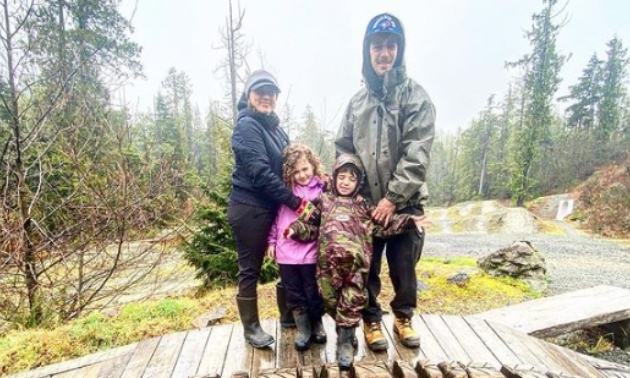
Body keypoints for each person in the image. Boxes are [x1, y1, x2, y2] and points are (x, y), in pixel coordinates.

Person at [334, 13, 436, 351]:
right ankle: (371, 320)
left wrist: (392, 198)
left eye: (391, 46)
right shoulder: (355, 103)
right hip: (366, 204)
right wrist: (352, 190)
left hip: (404, 203)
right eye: (378, 46)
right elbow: (344, 149)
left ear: (400, 50)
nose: (384, 53)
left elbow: (417, 153)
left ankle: (404, 317)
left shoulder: (416, 97)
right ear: (368, 52)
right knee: (367, 268)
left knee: (405, 269)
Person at [285, 154, 427, 370]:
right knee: (331, 303)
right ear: (334, 177)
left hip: (356, 270)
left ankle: (344, 343)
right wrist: (295, 229)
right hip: (327, 269)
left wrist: (408, 221)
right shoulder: (324, 201)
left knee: (351, 304)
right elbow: (310, 226)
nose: (345, 182)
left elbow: (382, 226)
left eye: (351, 179)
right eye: (342, 177)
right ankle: (345, 334)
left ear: (358, 182)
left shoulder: (363, 206)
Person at [228, 70, 321, 349]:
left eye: (271, 92)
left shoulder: (276, 129)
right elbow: (260, 173)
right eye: (260, 91)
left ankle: (289, 316)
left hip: (275, 206)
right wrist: (297, 204)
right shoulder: (247, 126)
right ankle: (252, 328)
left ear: (277, 97)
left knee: (287, 261)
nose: (266, 96)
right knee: (250, 269)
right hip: (249, 207)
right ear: (249, 96)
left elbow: (291, 167)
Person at [266, 143, 327, 351]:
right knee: (294, 292)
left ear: (313, 167)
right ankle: (303, 327)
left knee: (313, 290)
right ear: (288, 172)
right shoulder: (285, 193)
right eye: (296, 171)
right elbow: (276, 220)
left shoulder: (321, 189)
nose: (301, 175)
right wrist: (272, 242)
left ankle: (317, 323)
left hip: (310, 252)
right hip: (286, 253)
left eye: (305, 169)